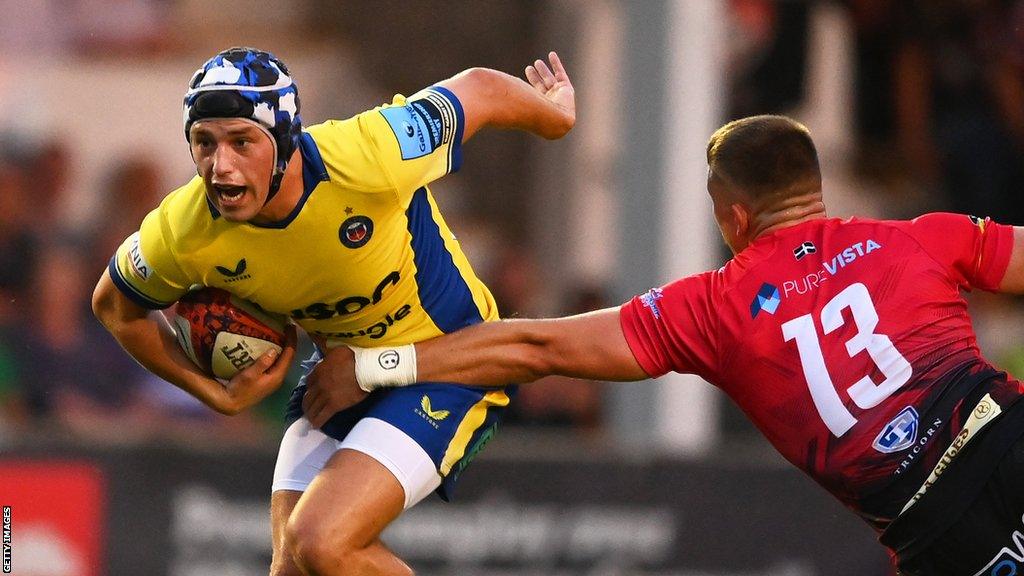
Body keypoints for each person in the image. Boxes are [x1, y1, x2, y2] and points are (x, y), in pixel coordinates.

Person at [305, 115, 1024, 576]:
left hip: (937, 532)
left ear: (734, 216)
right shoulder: (922, 237)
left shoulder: (710, 309)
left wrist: (375, 364)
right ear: (816, 188)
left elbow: (531, 348)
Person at [91, 46, 575, 576]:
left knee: (320, 540)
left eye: (241, 141)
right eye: (203, 142)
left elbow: (479, 89)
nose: (220, 165)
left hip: (451, 363)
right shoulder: (185, 229)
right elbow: (115, 306)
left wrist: (554, 117)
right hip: (343, 376)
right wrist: (216, 394)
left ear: (283, 141)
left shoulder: (370, 152)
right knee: (294, 567)